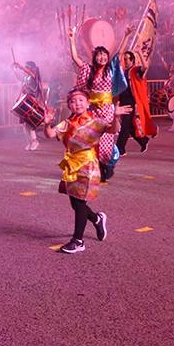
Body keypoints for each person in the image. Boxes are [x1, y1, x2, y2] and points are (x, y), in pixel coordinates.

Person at [42, 89, 131, 253]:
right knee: (76, 204)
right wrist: (46, 123)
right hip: (72, 165)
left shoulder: (96, 121)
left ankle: (78, 241)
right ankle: (97, 218)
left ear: (88, 103)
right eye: (73, 101)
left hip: (88, 166)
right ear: (69, 105)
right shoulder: (67, 123)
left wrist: (116, 117)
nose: (77, 103)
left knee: (80, 202)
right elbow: (49, 134)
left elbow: (113, 130)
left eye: (81, 100)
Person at [67, 25, 130, 181]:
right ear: (94, 57)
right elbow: (75, 58)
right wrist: (72, 40)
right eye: (99, 55)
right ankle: (93, 168)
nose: (102, 57)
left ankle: (106, 166)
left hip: (107, 111)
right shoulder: (89, 70)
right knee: (93, 140)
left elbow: (120, 53)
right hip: (93, 111)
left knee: (106, 140)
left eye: (104, 55)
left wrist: (126, 35)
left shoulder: (111, 69)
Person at [117, 50, 156, 155]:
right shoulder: (123, 72)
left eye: (126, 59)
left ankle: (120, 149)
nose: (125, 61)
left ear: (132, 60)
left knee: (125, 126)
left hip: (131, 101)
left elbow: (145, 66)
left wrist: (139, 52)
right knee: (129, 127)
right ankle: (143, 140)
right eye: (124, 59)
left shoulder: (135, 71)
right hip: (123, 101)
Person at [12, 60, 47, 151]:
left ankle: (35, 141)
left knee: (30, 122)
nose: (25, 68)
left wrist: (20, 67)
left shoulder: (34, 76)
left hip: (31, 100)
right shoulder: (26, 77)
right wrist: (14, 69)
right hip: (25, 99)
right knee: (24, 124)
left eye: (27, 67)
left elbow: (30, 73)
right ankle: (30, 141)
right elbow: (19, 77)